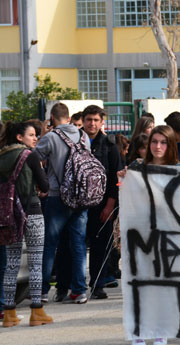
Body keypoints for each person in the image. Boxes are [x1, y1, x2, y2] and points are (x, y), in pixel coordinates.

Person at [129, 125, 180, 345]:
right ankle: (138, 329)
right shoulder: (137, 168)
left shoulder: (179, 169)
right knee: (140, 282)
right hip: (141, 233)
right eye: (154, 142)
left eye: (163, 142)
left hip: (169, 233)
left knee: (164, 283)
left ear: (170, 145)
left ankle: (161, 329)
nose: (158, 146)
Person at [36, 102, 92, 304]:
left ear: (52, 118)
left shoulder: (51, 137)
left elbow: (34, 158)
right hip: (80, 197)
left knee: (50, 245)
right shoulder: (84, 136)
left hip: (56, 196)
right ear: (68, 118)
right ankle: (79, 290)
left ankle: (42, 291)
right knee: (78, 245)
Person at [1, 121, 52, 328]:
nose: (35, 139)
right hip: (31, 212)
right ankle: (37, 312)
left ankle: (9, 313)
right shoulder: (30, 156)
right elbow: (45, 185)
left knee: (12, 263)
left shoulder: (2, 157)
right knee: (35, 262)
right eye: (31, 135)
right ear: (19, 137)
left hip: (9, 216)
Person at [81, 105, 122, 299]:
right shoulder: (75, 144)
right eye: (89, 119)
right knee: (74, 246)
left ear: (102, 122)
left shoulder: (110, 146)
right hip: (77, 206)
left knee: (100, 247)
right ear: (83, 120)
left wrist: (109, 206)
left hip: (102, 206)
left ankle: (97, 284)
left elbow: (116, 179)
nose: (92, 123)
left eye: (96, 120)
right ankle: (72, 287)